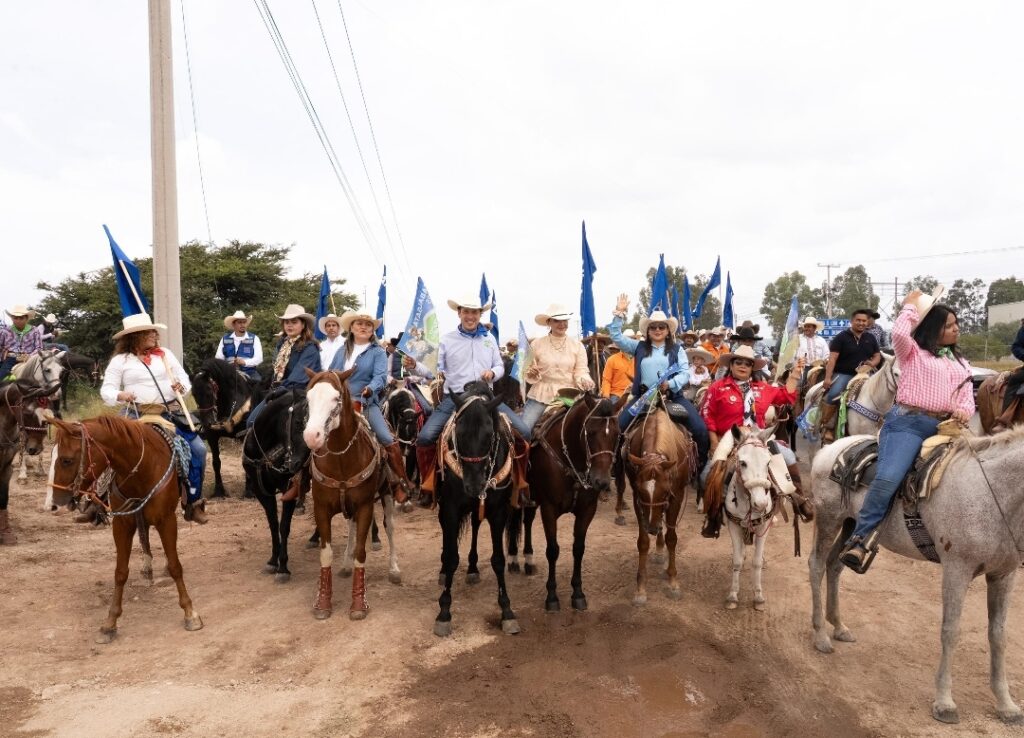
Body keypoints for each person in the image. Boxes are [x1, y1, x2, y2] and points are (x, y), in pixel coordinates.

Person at [840, 290, 974, 572]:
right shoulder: (911, 352)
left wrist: (964, 410)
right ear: (933, 328)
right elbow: (900, 334)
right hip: (907, 425)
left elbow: (966, 397)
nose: (956, 329)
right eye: (949, 325)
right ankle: (860, 539)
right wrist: (910, 307)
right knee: (889, 478)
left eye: (956, 324)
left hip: (946, 427)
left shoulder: (961, 363)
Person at [410, 295, 532, 498]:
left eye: (474, 312)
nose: (470, 316)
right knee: (425, 437)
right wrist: (415, 366)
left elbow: (499, 365)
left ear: (480, 314)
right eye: (466, 311)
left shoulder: (489, 339)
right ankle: (429, 484)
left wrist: (493, 373)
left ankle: (520, 481)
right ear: (459, 313)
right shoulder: (447, 340)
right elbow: (433, 370)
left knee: (524, 432)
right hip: (456, 398)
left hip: (486, 399)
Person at [100, 313, 209, 524]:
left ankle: (193, 503)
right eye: (149, 332)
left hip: (169, 411)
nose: (154, 334)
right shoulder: (120, 361)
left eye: (154, 331)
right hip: (135, 412)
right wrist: (120, 395)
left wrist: (181, 387)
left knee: (199, 450)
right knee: (106, 448)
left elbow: (184, 380)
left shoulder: (165, 355)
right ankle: (98, 502)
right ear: (135, 336)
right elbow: (107, 390)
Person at [700, 346, 812, 531]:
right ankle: (714, 516)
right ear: (731, 365)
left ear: (752, 368)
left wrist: (794, 375)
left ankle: (799, 501)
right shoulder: (717, 387)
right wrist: (713, 441)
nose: (743, 366)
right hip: (731, 435)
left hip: (758, 434)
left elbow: (785, 395)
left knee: (789, 456)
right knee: (706, 476)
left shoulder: (762, 388)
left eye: (747, 364)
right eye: (738, 362)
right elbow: (707, 415)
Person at [608, 294, 710, 470]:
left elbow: (685, 372)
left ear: (668, 330)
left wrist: (670, 384)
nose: (657, 330)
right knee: (616, 429)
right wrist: (619, 314)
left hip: (672, 397)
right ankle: (616, 467)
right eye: (653, 327)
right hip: (643, 398)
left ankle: (698, 466)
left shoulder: (677, 349)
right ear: (647, 330)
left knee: (700, 429)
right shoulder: (638, 347)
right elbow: (616, 336)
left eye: (661, 326)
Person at [327, 310, 414, 504]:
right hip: (338, 402)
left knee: (386, 438)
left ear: (372, 330)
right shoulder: (341, 351)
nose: (364, 327)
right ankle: (300, 480)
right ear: (351, 328)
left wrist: (370, 389)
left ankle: (400, 482)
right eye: (359, 324)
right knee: (315, 430)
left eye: (368, 325)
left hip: (364, 401)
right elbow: (331, 373)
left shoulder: (377, 352)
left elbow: (380, 377)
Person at [520, 303, 595, 430]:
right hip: (541, 395)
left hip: (570, 395)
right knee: (524, 430)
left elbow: (581, 370)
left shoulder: (577, 345)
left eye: (565, 320)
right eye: (557, 321)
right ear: (549, 322)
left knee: (590, 429)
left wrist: (585, 380)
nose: (562, 324)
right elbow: (526, 369)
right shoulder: (536, 344)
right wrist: (531, 372)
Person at [246, 304, 322, 429]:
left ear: (303, 325)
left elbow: (298, 378)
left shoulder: (310, 348)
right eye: (287, 322)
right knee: (251, 422)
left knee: (256, 422)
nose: (289, 325)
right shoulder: (283, 343)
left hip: (299, 394)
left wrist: (278, 390)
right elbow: (275, 369)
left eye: (294, 322)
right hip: (279, 391)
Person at [820, 308, 882, 443]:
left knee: (883, 393)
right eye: (858, 320)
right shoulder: (841, 337)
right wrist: (828, 378)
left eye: (864, 321)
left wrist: (872, 363)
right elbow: (832, 359)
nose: (861, 323)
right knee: (833, 394)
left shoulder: (870, 338)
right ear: (852, 321)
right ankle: (828, 427)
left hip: (866, 374)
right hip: (844, 373)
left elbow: (877, 356)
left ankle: (882, 426)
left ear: (867, 322)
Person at [215, 310, 263, 380]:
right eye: (240, 322)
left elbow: (259, 358)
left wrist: (244, 362)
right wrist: (226, 366)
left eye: (244, 322)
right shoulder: (225, 338)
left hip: (249, 373)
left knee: (259, 383)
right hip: (229, 373)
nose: (243, 325)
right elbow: (218, 358)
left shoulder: (254, 338)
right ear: (233, 324)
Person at [0, 305, 43, 379]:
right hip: (10, 359)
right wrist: (7, 355)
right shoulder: (5, 331)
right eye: (15, 318)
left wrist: (29, 356)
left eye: (21, 318)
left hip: (30, 359)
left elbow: (39, 347)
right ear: (12, 319)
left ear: (26, 319)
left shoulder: (34, 330)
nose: (18, 320)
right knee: (2, 377)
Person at [601, 336, 635, 402]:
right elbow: (606, 380)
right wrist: (606, 396)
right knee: (612, 407)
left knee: (648, 406)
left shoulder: (640, 359)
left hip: (634, 393)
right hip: (617, 393)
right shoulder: (612, 360)